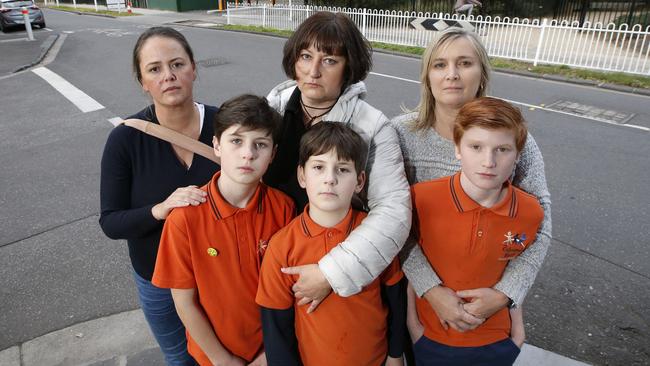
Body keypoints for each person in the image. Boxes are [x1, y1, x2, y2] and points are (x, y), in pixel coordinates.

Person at [391, 28, 551, 346]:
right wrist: (430, 289)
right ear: (427, 76)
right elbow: (388, 220)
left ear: (481, 73)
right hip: (414, 296)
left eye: (464, 63)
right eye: (439, 65)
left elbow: (540, 224)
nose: (452, 74)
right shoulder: (399, 134)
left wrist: (506, 293)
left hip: (486, 295)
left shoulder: (513, 139)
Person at [264, 11, 411, 312]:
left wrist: (331, 272)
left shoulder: (371, 126)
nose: (313, 71)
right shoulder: (272, 110)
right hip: (271, 257)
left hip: (330, 260)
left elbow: (393, 211)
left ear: (349, 68)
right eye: (305, 56)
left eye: (329, 60)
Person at [99, 26, 220, 366]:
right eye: (155, 69)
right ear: (143, 81)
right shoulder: (125, 139)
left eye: (177, 64)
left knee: (227, 354)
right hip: (159, 281)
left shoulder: (226, 126)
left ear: (193, 68)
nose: (168, 76)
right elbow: (110, 222)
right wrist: (161, 209)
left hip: (220, 274)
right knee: (180, 359)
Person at [152, 94, 295, 366]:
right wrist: (223, 360)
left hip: (273, 352)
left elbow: (289, 291)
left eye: (260, 144)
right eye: (236, 141)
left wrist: (270, 355)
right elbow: (184, 303)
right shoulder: (185, 217)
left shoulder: (284, 208)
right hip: (213, 357)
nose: (248, 153)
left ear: (273, 154)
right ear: (216, 145)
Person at [256, 122, 406, 366]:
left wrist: (395, 355)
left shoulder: (374, 234)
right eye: (318, 167)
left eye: (342, 170)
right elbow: (277, 328)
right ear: (302, 176)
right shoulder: (282, 245)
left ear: (359, 181)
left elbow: (395, 298)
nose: (330, 179)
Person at [409, 97, 542, 365]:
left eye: (503, 149)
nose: (489, 161)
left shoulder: (530, 211)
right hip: (432, 337)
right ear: (458, 148)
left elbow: (518, 264)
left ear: (518, 153)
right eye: (476, 147)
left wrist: (516, 335)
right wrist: (414, 328)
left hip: (497, 342)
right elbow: (406, 254)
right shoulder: (420, 199)